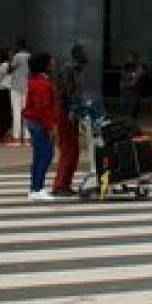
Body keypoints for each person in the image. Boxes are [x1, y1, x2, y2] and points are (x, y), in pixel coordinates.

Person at [52, 44, 90, 196]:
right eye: (84, 53)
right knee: (68, 148)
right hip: (66, 112)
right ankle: (60, 185)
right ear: (77, 55)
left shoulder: (77, 70)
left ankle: (65, 183)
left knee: (73, 149)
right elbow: (67, 92)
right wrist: (73, 110)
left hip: (71, 112)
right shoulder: (70, 69)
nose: (87, 56)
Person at [21, 52, 60, 201]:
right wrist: (51, 127)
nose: (53, 64)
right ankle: (38, 188)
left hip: (34, 120)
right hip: (39, 122)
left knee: (39, 155)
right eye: (50, 62)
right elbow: (43, 108)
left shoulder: (36, 80)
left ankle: (35, 187)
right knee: (46, 154)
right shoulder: (42, 84)